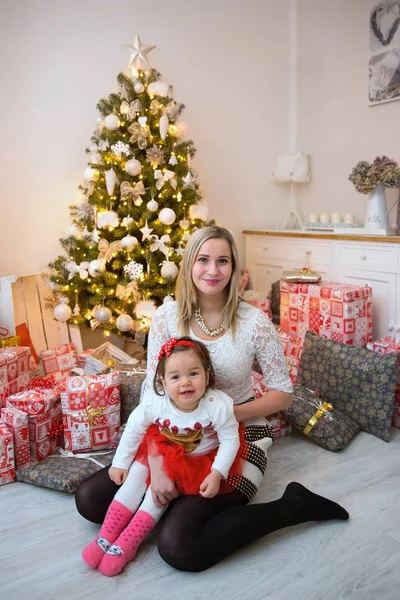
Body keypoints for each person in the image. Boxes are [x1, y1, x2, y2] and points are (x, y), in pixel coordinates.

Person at [76, 225, 349, 573]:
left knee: (180, 549)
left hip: (235, 436)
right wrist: (159, 468)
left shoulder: (254, 322)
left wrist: (221, 414)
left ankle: (293, 505)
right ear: (190, 264)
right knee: (89, 500)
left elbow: (283, 394)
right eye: (203, 259)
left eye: (223, 261)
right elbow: (152, 395)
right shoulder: (167, 317)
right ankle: (175, 503)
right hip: (171, 434)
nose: (213, 270)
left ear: (234, 269)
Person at [81, 336, 242, 576]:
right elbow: (135, 428)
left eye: (193, 374)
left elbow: (230, 440)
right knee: (135, 478)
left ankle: (128, 541)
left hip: (195, 461)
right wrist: (120, 462)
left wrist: (217, 472)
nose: (185, 382)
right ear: (163, 382)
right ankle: (106, 535)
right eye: (175, 377)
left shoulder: (217, 404)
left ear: (207, 375)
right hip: (159, 450)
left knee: (157, 496)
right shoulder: (155, 402)